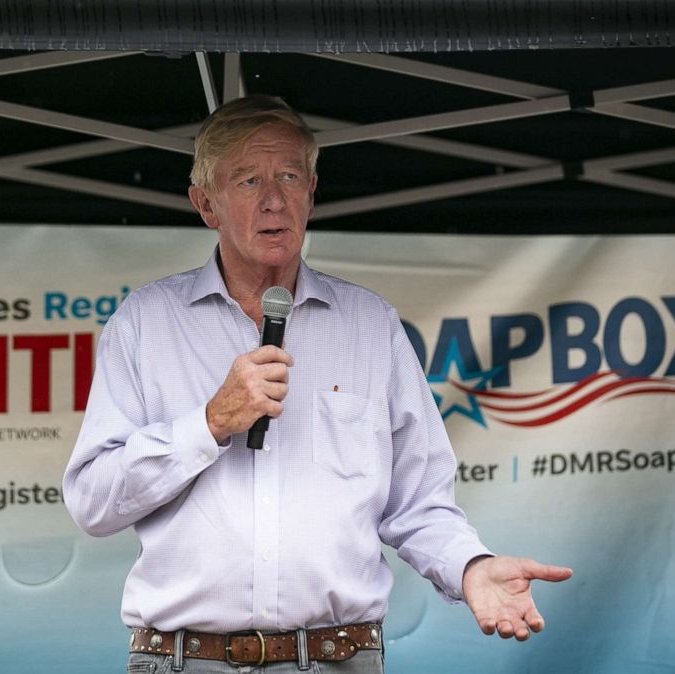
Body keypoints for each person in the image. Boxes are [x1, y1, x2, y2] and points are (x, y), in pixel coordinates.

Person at [63, 95, 572, 673]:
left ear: (311, 191)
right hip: (185, 659)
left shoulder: (370, 324)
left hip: (338, 657)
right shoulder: (145, 322)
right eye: (249, 180)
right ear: (206, 204)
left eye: (289, 177)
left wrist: (470, 567)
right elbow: (92, 502)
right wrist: (209, 423)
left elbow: (419, 501)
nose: (274, 199)